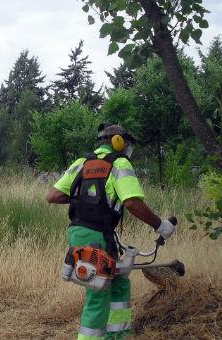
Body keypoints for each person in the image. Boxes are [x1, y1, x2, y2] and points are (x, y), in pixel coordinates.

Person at [46, 123, 176, 340]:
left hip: (85, 233)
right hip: (95, 235)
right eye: (127, 145)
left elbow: (53, 196)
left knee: (119, 284)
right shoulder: (120, 163)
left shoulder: (81, 163)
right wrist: (159, 224)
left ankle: (117, 336)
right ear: (118, 142)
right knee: (98, 294)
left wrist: (86, 200)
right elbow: (132, 202)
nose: (127, 151)